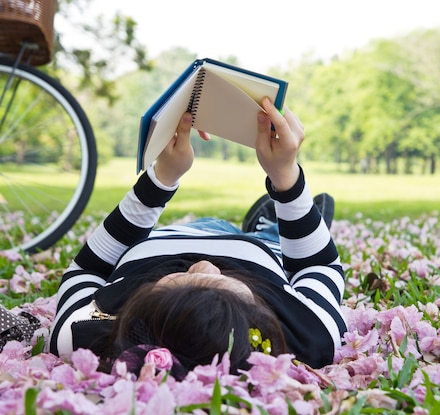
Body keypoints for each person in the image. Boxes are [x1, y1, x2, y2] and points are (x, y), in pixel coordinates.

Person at [49, 98, 347, 379]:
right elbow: (317, 265)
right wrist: (285, 176)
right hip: (257, 254)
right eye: (221, 284)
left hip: (170, 236)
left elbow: (86, 269)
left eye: (178, 278)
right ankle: (269, 229)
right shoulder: (310, 335)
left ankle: (269, 226)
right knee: (283, 245)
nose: (203, 265)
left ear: (140, 308)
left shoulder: (80, 336)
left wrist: (161, 177)